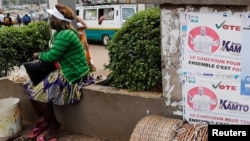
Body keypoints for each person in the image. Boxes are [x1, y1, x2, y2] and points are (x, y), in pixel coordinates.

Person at [23, 3, 94, 141]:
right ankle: (41, 119)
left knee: (37, 94)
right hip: (62, 69)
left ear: (58, 20)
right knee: (28, 85)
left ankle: (54, 124)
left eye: (51, 17)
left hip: (72, 73)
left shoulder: (65, 34)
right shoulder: (60, 33)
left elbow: (52, 56)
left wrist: (38, 55)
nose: (49, 20)